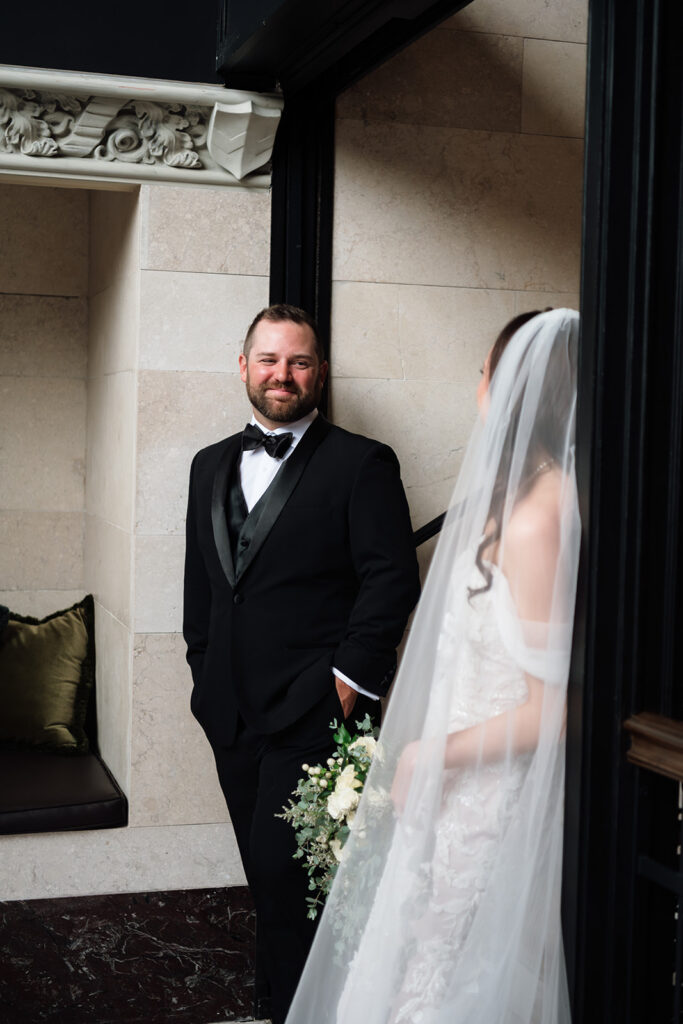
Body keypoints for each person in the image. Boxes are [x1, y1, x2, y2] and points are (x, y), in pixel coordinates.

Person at [285, 307, 580, 1024]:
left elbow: (553, 707)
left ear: (512, 390)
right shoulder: (505, 499)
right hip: (449, 788)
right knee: (406, 968)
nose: (476, 386)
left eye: (484, 372)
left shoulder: (544, 514)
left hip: (489, 799)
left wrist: (427, 755)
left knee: (442, 979)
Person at [182, 303, 421, 1024]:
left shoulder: (361, 462)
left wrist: (346, 687)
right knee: (266, 882)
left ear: (319, 372)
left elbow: (391, 579)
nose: (281, 375)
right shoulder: (208, 463)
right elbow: (202, 582)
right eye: (268, 359)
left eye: (298, 361)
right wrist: (201, 669)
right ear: (243, 365)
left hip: (316, 717)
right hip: (229, 712)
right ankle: (280, 1004)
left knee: (296, 886)